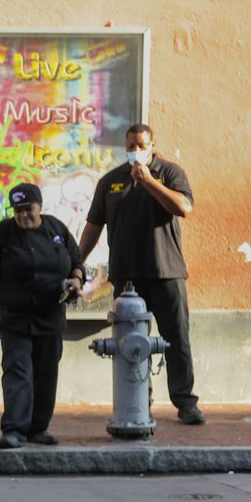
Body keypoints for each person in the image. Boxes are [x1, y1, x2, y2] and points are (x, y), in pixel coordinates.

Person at [76, 123, 203, 424]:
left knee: (176, 338)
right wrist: (76, 262)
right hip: (127, 276)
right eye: (130, 146)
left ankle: (185, 402)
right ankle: (138, 399)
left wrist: (148, 181)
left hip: (166, 271)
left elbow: (183, 207)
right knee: (132, 342)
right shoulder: (110, 181)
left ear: (152, 145)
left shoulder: (169, 173)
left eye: (140, 145)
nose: (135, 151)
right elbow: (94, 225)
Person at [0, 183, 83, 448]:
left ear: (39, 207)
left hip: (50, 316)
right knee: (18, 372)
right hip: (15, 318)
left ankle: (38, 428)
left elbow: (76, 263)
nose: (23, 215)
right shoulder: (3, 234)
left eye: (28, 209)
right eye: (18, 211)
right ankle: (14, 430)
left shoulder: (56, 229)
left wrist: (75, 281)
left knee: (46, 373)